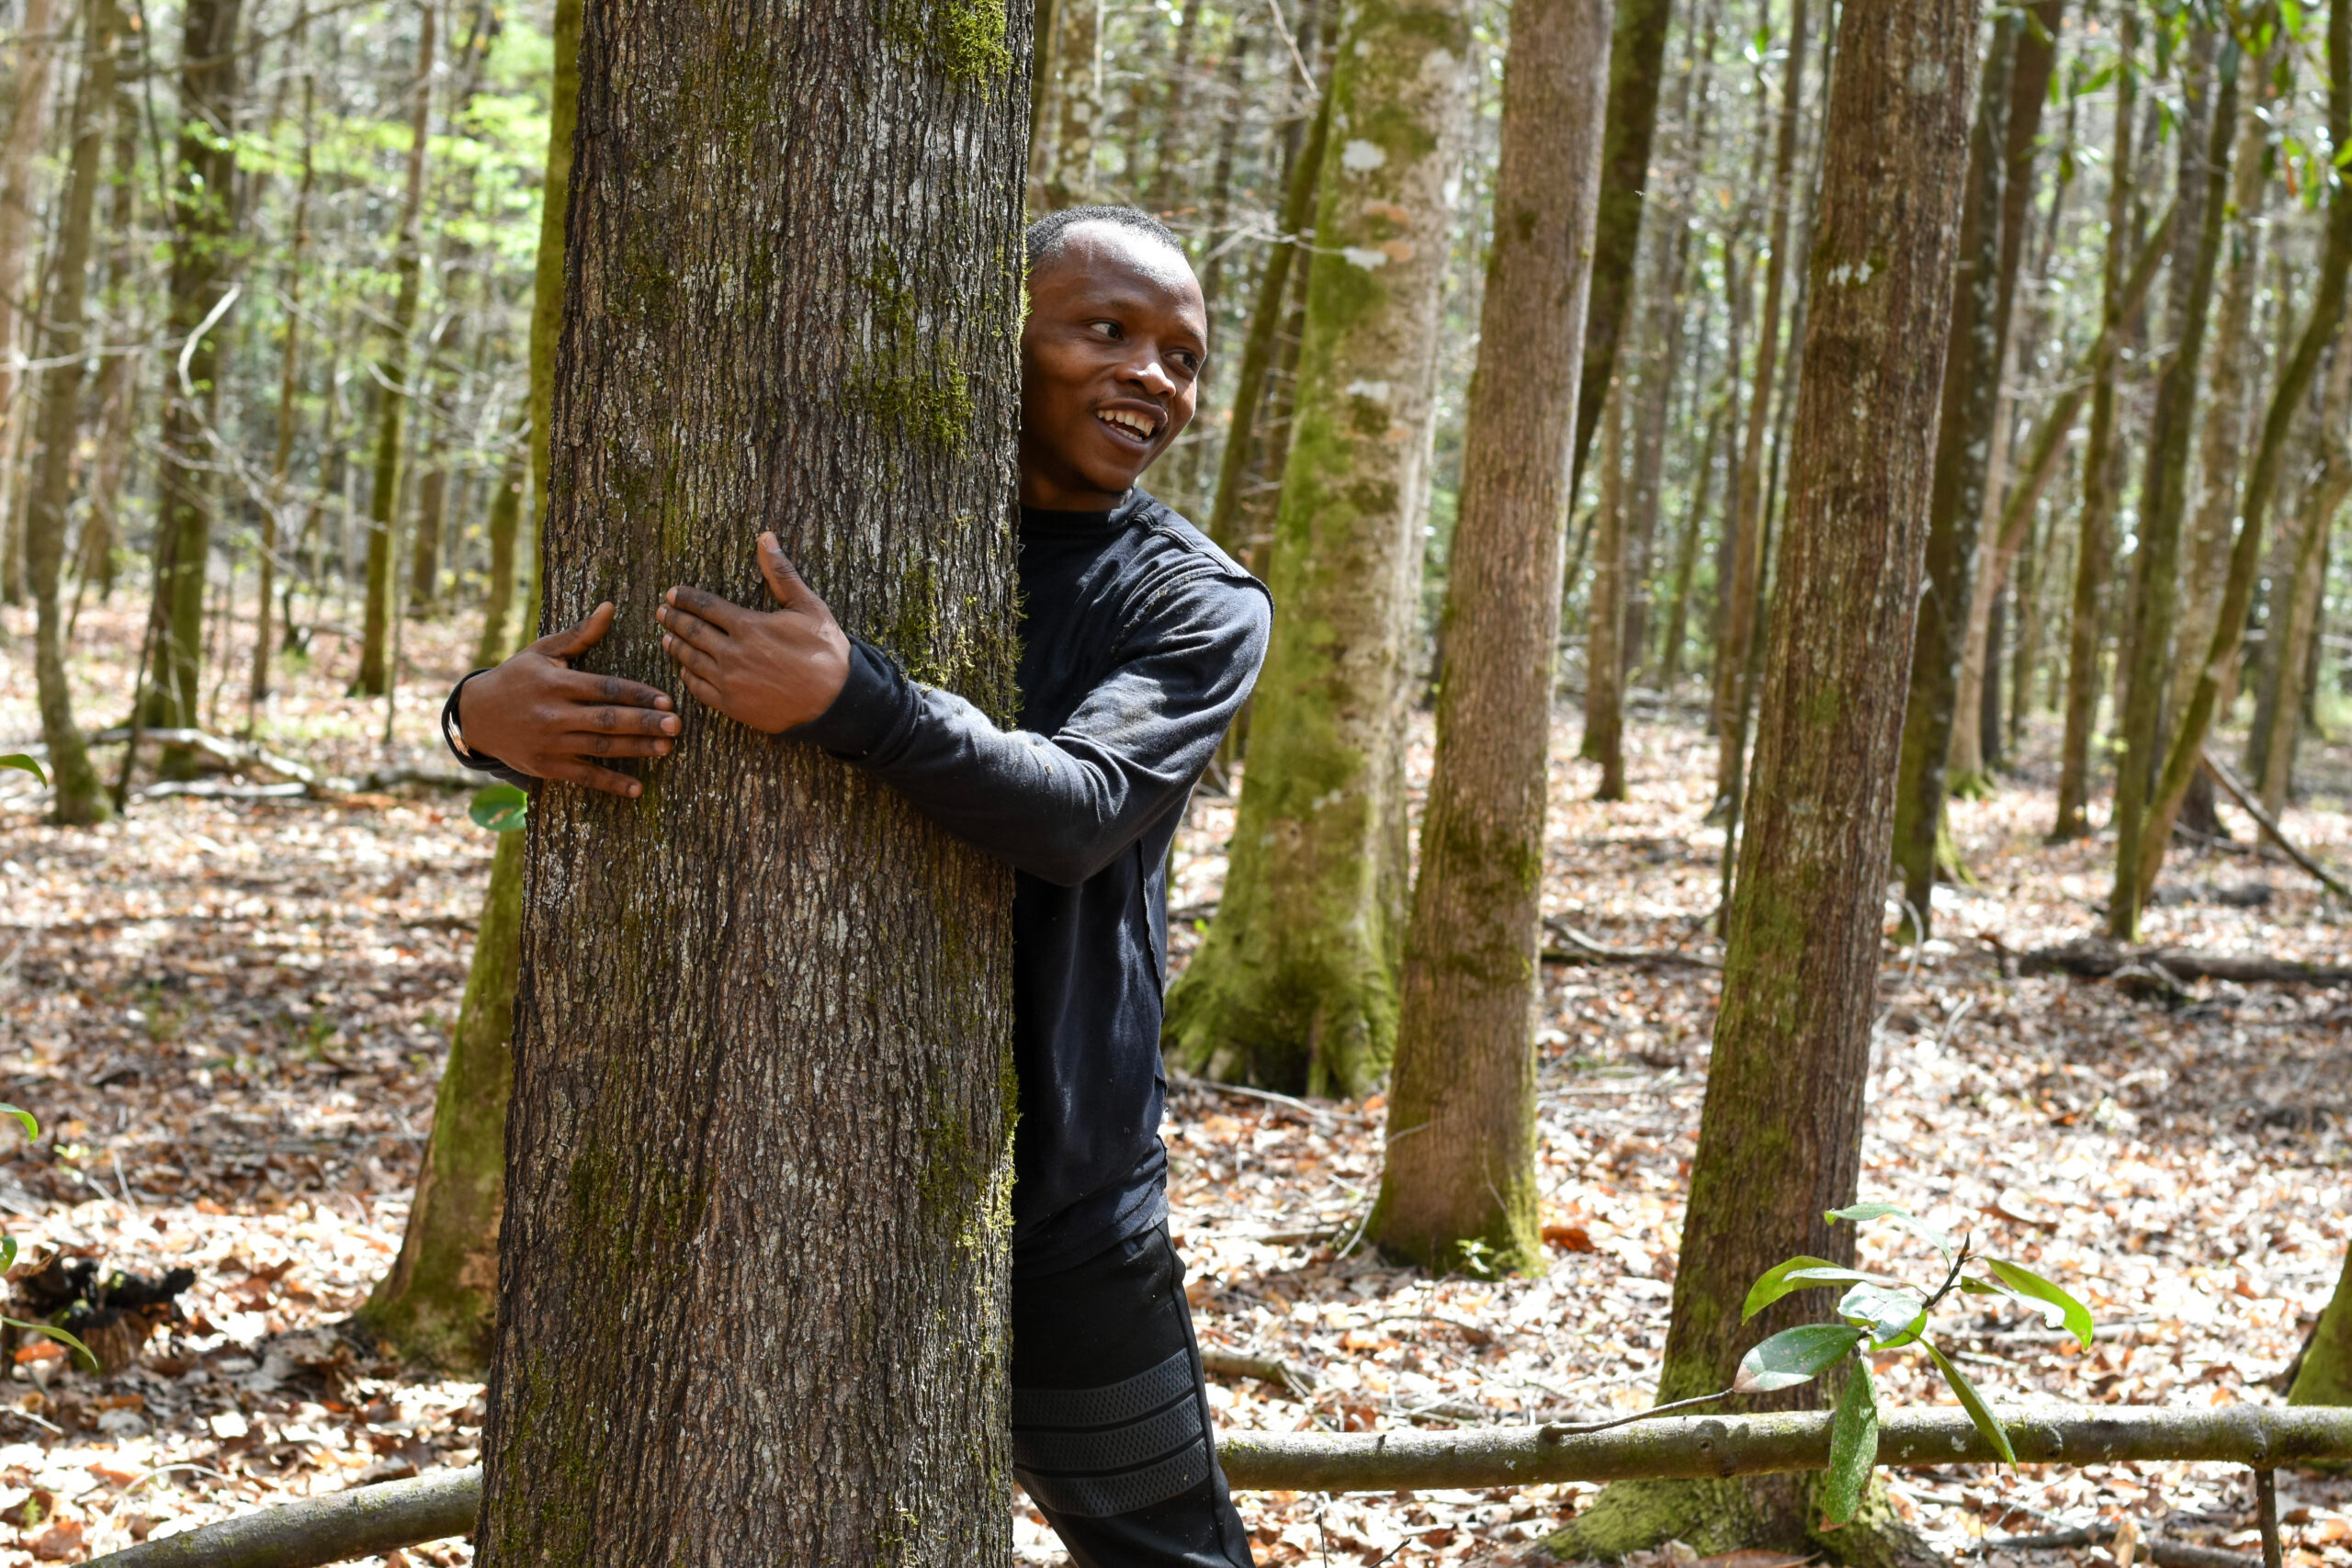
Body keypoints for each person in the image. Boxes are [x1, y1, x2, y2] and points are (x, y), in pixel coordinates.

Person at [439, 205, 1270, 1568]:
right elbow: (606, 699)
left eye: (1183, 355)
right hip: (721, 1151)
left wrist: (859, 703)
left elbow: (1083, 812)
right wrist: (476, 715)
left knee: (1163, 1550)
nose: (1153, 378)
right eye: (1105, 330)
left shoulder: (1195, 601)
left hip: (1061, 1189)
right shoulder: (801, 495)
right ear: (990, 336)